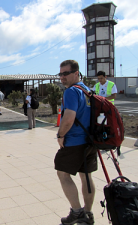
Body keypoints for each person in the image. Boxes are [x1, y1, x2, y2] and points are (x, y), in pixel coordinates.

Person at [55, 60, 96, 225]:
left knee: (63, 174)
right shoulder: (88, 91)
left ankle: (77, 212)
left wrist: (60, 134)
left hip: (74, 142)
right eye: (60, 74)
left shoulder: (71, 91)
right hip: (90, 142)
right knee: (86, 176)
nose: (62, 77)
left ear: (76, 73)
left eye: (66, 73)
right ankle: (88, 213)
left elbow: (69, 118)